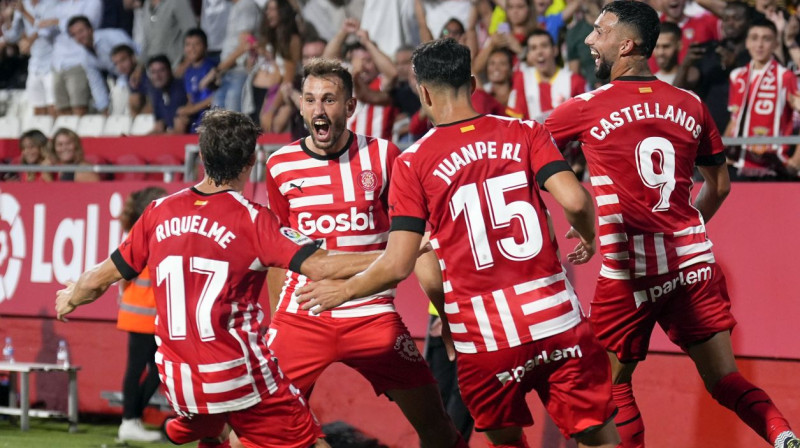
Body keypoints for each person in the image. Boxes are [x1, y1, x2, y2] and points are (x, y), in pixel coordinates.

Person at [295, 39, 620, 448]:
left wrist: (343, 290)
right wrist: (588, 235)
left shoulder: (412, 163)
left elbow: (400, 264)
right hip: (555, 319)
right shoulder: (526, 131)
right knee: (601, 438)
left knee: (505, 438)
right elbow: (575, 200)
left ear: (423, 91)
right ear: (472, 81)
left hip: (485, 337)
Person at [544, 2, 800, 447]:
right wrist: (681, 227)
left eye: (599, 32)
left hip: (630, 274)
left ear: (626, 45)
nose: (589, 39)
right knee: (725, 379)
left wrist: (582, 217)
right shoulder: (692, 104)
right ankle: (783, 438)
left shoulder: (585, 107)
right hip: (692, 264)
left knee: (608, 388)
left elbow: (523, 153)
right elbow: (719, 187)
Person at [54, 109, 390, 448]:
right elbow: (321, 266)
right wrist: (398, 254)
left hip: (179, 384)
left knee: (224, 435)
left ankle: (194, 428)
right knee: (311, 441)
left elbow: (97, 279)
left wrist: (71, 297)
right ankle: (199, 428)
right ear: (251, 162)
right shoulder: (253, 220)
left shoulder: (158, 212)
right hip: (236, 375)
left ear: (201, 155)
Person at [264, 57, 466, 448]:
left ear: (350, 106)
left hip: (372, 316)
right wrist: (278, 321)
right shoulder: (279, 165)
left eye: (329, 99)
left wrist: (446, 314)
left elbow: (417, 243)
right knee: (260, 431)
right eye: (310, 100)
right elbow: (278, 254)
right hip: (302, 315)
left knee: (437, 427)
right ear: (301, 106)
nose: (318, 110)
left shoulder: (387, 158)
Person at [116, 186, 167, 443]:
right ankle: (129, 420)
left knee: (153, 369)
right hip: (143, 313)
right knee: (142, 369)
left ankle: (131, 419)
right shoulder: (149, 233)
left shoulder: (141, 231)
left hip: (143, 312)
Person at [724, 19, 800, 180]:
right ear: (747, 43)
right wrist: (723, 154)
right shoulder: (736, 75)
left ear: (775, 44)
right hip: (741, 161)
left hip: (775, 165)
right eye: (754, 38)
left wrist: (797, 160)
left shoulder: (785, 76)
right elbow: (734, 120)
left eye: (766, 39)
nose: (759, 44)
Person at [506, 29, 586, 122]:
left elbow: (583, 120)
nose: (539, 52)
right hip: (532, 136)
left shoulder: (574, 81)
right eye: (533, 48)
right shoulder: (522, 78)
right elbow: (516, 122)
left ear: (555, 50)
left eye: (544, 46)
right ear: (529, 55)